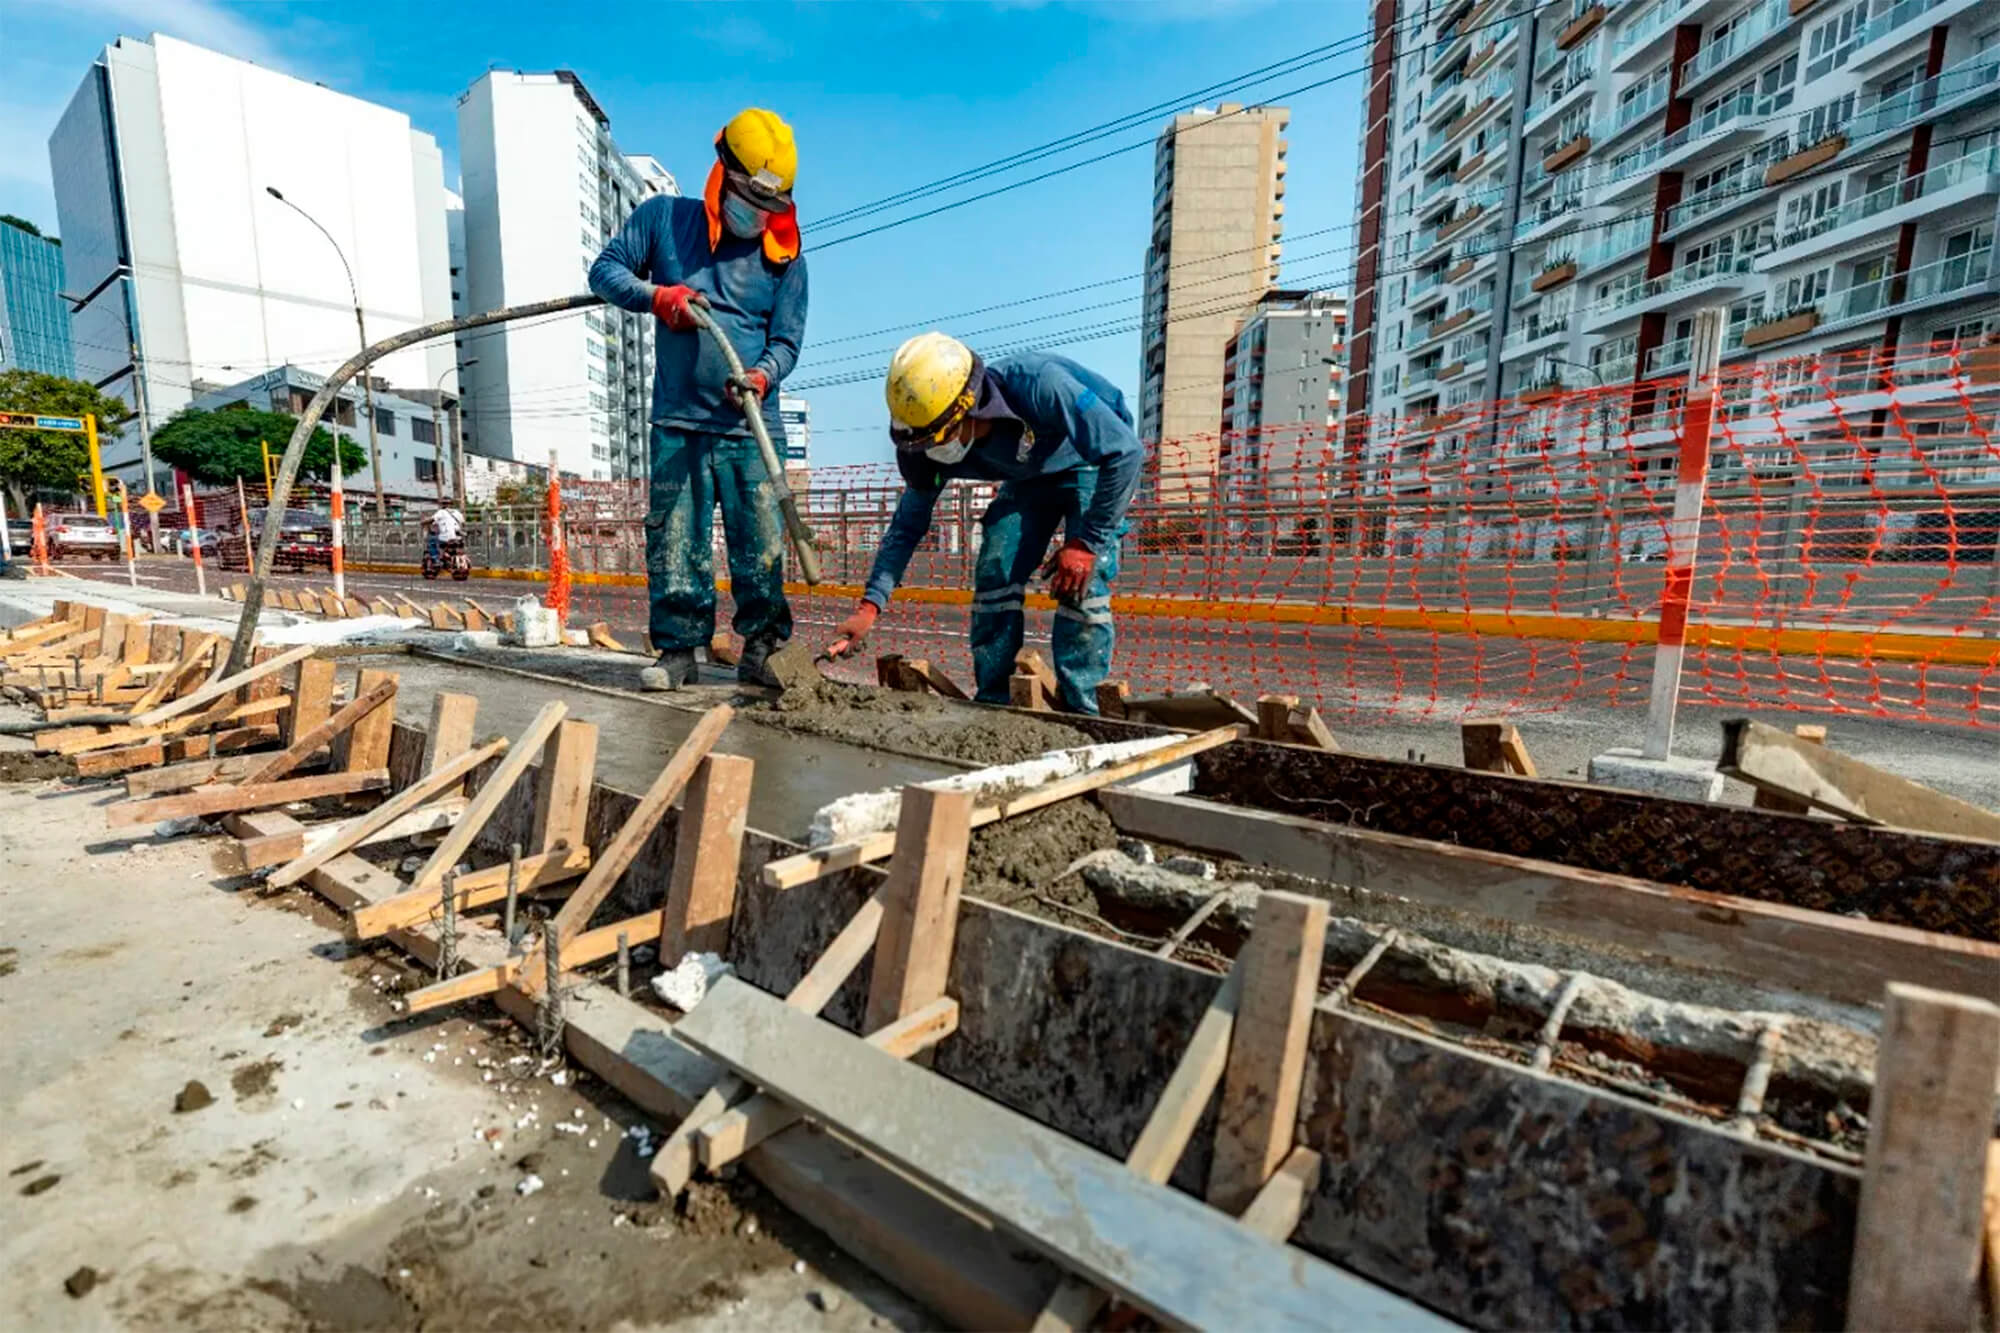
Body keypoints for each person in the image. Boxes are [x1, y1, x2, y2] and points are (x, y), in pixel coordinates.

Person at [589, 107, 807, 690]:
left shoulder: (786, 257)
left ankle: (762, 649)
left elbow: (786, 342)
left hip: (750, 429)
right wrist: (659, 298)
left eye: (770, 207)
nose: (756, 215)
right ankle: (679, 650)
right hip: (678, 425)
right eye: (747, 199)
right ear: (721, 174)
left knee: (760, 548)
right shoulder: (664, 219)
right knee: (676, 539)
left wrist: (761, 375)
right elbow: (605, 272)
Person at [829, 333, 1142, 713]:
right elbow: (906, 527)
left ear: (969, 407)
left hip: (1087, 458)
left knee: (1081, 581)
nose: (932, 450)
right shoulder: (925, 447)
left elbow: (1124, 453)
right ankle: (995, 700)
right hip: (1028, 476)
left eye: (938, 439)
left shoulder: (1039, 384)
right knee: (996, 567)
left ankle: (1086, 707)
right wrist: (868, 608)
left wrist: (1086, 543)